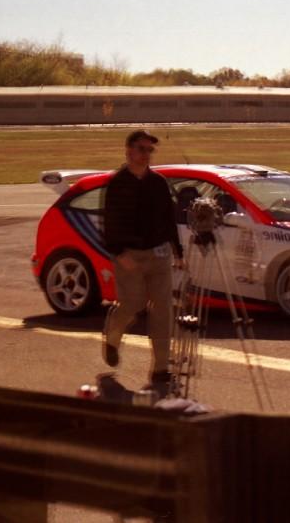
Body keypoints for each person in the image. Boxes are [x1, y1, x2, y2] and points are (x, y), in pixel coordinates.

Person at [102, 129, 184, 397]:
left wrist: (178, 251)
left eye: (150, 150)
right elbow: (110, 223)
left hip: (159, 254)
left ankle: (161, 368)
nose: (146, 154)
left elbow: (168, 219)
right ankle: (113, 337)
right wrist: (120, 253)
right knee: (132, 305)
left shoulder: (158, 183)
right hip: (129, 255)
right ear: (128, 151)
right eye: (142, 149)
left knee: (163, 310)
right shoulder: (117, 184)